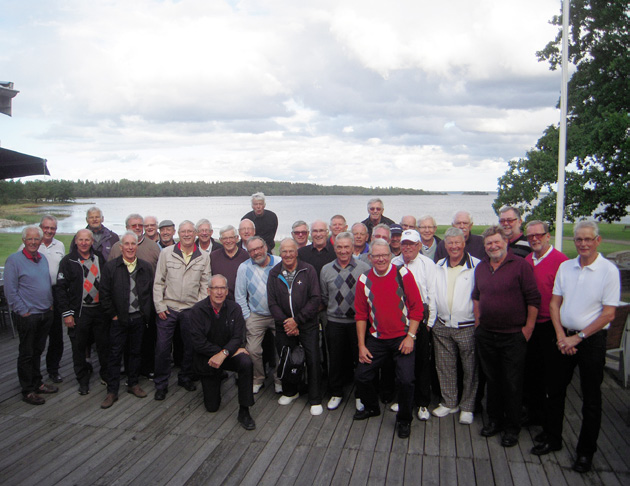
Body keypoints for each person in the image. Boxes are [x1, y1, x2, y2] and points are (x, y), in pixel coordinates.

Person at [545, 221, 620, 473]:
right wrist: (560, 335)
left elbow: (608, 314)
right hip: (563, 336)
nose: (583, 244)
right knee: (554, 390)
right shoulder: (566, 267)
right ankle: (553, 438)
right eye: (579, 239)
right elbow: (555, 304)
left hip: (591, 341)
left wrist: (578, 338)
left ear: (597, 241)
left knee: (591, 398)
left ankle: (585, 452)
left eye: (588, 239)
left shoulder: (608, 271)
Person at [472, 226, 540, 448]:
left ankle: (512, 427)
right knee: (493, 380)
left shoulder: (520, 266)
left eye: (496, 242)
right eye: (488, 243)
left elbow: (533, 299)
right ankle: (494, 421)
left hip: (513, 336)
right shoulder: (481, 267)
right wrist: (478, 322)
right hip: (487, 334)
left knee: (512, 383)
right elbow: (477, 296)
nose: (493, 246)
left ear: (505, 242)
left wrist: (528, 329)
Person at [353, 239, 424, 439]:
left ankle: (404, 420)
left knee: (406, 380)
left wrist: (411, 336)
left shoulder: (403, 275)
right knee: (362, 376)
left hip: (402, 337)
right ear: (370, 258)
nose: (381, 259)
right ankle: (372, 407)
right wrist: (361, 345)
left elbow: (417, 309)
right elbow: (360, 315)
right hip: (377, 339)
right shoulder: (363, 280)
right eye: (376, 256)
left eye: (385, 255)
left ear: (391, 256)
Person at [153, 220, 211, 400]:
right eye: (183, 231)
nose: (186, 234)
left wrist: (199, 309)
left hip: (191, 309)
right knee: (162, 347)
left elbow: (205, 284)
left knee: (190, 346)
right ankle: (161, 384)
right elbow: (158, 281)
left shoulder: (203, 256)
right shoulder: (167, 253)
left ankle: (185, 377)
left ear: (195, 234)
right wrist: (159, 305)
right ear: (178, 233)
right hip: (168, 308)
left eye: (189, 231)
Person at [189, 275, 256, 430]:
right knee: (212, 407)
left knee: (246, 362)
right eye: (215, 288)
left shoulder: (234, 308)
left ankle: (244, 411)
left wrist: (224, 353)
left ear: (227, 291)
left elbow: (238, 337)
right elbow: (198, 343)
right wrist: (223, 352)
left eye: (222, 288)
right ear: (208, 291)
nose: (219, 292)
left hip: (227, 354)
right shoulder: (197, 310)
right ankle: (217, 376)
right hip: (208, 359)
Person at [268, 238, 323, 415]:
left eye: (291, 250)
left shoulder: (308, 270)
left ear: (296, 252)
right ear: (279, 253)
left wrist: (297, 320)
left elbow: (315, 299)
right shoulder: (274, 273)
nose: (288, 254)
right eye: (284, 251)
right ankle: (290, 391)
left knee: (313, 359)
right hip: (284, 325)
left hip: (307, 324)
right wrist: (287, 322)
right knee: (287, 359)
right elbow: (272, 303)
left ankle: (315, 398)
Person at [522, 220, 569, 433]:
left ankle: (549, 425)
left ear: (548, 236)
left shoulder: (561, 262)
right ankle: (534, 414)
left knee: (552, 378)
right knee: (532, 373)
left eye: (538, 235)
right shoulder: (526, 261)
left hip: (551, 325)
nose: (534, 239)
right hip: (529, 324)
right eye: (530, 236)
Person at [99, 232, 154, 409]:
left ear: (137, 246)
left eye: (133, 244)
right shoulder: (111, 267)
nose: (130, 247)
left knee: (135, 352)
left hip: (138, 318)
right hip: (118, 319)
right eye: (127, 244)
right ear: (120, 247)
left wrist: (146, 313)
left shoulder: (145, 267)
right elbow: (104, 294)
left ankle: (133, 383)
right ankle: (112, 390)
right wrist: (113, 314)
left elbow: (150, 292)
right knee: (115, 354)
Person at [5, 226, 58, 405]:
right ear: (23, 241)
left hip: (45, 312)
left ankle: (37, 382)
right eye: (30, 239)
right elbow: (10, 291)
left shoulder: (42, 258)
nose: (34, 242)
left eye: (37, 239)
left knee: (38, 350)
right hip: (28, 315)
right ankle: (27, 390)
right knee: (27, 353)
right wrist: (23, 311)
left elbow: (45, 283)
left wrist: (50, 304)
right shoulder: (14, 260)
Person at [432, 227, 480, 425]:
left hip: (467, 326)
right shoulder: (439, 265)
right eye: (449, 242)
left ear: (463, 243)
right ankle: (449, 402)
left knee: (470, 369)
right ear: (445, 244)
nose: (453, 246)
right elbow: (433, 294)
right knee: (445, 367)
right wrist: (433, 321)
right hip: (442, 325)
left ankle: (467, 406)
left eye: (457, 242)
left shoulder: (476, 266)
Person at [390, 229, 437, 420]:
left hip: (421, 318)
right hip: (399, 319)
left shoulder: (427, 264)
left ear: (419, 246)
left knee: (421, 363)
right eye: (404, 244)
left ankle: (422, 403)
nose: (407, 247)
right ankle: (402, 399)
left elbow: (432, 294)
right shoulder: (393, 263)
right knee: (400, 362)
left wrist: (430, 322)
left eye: (411, 244)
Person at [320, 232, 370, 410]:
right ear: (334, 248)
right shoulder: (326, 270)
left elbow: (367, 295)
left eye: (346, 247)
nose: (343, 251)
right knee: (335, 359)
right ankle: (336, 393)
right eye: (339, 247)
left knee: (361, 359)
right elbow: (325, 297)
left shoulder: (364, 268)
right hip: (335, 322)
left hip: (358, 322)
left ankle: (361, 394)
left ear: (352, 247)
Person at [56, 229, 110, 396]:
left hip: (99, 311)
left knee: (103, 346)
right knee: (79, 348)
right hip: (79, 312)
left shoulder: (99, 258)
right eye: (81, 240)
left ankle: (106, 375)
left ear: (92, 241)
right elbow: (61, 289)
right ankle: (83, 381)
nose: (84, 243)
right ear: (76, 241)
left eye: (87, 240)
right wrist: (67, 314)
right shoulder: (68, 261)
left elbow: (107, 283)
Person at [18, 215, 66, 383]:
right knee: (35, 338)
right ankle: (31, 375)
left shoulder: (59, 245)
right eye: (46, 227)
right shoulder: (28, 246)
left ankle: (53, 369)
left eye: (52, 228)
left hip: (55, 292)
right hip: (33, 295)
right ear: (40, 227)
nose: (49, 231)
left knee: (56, 335)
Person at [235, 236, 282, 394]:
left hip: (279, 314)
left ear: (266, 247)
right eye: (252, 250)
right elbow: (239, 295)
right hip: (256, 314)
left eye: (258, 248)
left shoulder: (279, 262)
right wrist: (247, 317)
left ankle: (279, 379)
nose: (256, 252)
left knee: (281, 348)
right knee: (253, 349)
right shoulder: (244, 267)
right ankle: (258, 378)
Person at [210, 225, 249, 301]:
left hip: (241, 302)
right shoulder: (213, 257)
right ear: (220, 240)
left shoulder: (246, 256)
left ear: (237, 238)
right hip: (219, 302)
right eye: (225, 238)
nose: (228, 241)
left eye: (231, 237)